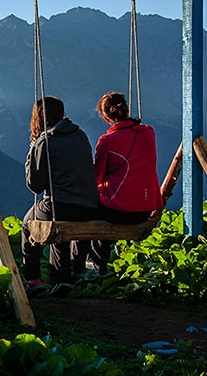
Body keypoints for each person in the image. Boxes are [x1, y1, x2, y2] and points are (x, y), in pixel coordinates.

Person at [73, 91, 163, 274]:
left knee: (86, 209)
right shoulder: (149, 132)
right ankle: (96, 261)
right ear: (127, 109)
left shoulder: (107, 141)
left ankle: (84, 264)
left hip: (119, 211)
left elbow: (97, 177)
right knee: (104, 205)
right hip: (145, 210)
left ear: (106, 118)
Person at [22, 96, 100, 298]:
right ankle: (64, 278)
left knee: (28, 223)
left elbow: (35, 185)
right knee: (58, 222)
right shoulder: (81, 135)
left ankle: (33, 280)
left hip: (61, 204)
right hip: (89, 206)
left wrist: (32, 151)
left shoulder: (45, 141)